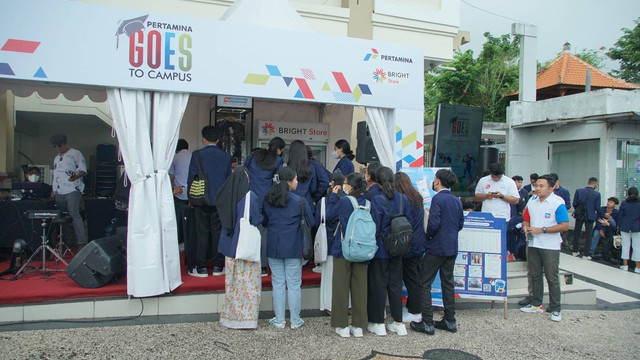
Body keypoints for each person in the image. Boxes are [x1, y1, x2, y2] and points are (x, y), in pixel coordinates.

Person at [410, 169, 464, 335]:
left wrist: (429, 237)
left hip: (436, 247)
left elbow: (433, 223)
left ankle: (427, 322)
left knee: (424, 282)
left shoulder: (437, 199)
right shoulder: (456, 200)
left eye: (434, 179)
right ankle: (450, 320)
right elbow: (460, 223)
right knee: (448, 282)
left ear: (438, 181)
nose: (433, 182)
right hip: (451, 246)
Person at [262, 167, 315, 330]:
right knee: (293, 283)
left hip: (274, 246)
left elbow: (265, 221)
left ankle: (279, 319)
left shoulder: (268, 199)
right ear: (288, 182)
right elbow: (311, 222)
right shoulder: (300, 201)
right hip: (293, 246)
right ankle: (295, 320)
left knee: (277, 283)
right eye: (295, 179)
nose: (297, 181)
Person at [217, 167, 264, 329]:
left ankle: (230, 317)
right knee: (248, 285)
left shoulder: (226, 196)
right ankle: (246, 319)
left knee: (232, 284)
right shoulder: (250, 197)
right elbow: (256, 218)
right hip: (244, 246)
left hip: (229, 245)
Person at [325, 172, 369, 338]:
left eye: (345, 183)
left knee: (341, 287)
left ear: (349, 186)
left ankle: (342, 325)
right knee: (360, 287)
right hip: (363, 249)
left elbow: (329, 216)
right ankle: (358, 326)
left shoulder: (344, 201)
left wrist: (334, 197)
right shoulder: (368, 202)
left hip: (343, 248)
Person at [520, 174, 569, 322]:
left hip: (550, 245)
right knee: (534, 275)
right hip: (533, 243)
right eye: (536, 186)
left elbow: (564, 225)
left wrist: (542, 230)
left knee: (552, 277)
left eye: (542, 186)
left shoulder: (557, 202)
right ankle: (536, 303)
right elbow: (526, 218)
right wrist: (526, 227)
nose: (537, 189)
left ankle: (555, 308)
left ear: (551, 187)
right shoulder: (532, 200)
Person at [368, 167, 411, 336]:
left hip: (381, 247)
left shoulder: (377, 200)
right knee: (395, 285)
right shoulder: (403, 199)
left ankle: (378, 323)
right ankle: (398, 323)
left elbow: (375, 226)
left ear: (377, 182)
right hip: (399, 247)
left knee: (378, 284)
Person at [187, 126, 231, 278]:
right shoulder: (226, 157)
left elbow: (191, 177)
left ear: (203, 139)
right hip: (219, 201)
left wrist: (190, 198)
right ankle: (218, 266)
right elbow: (228, 181)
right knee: (218, 233)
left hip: (201, 199)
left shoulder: (197, 155)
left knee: (201, 233)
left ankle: (201, 268)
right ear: (218, 139)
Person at [244, 137, 285, 276]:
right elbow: (279, 182)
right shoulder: (278, 161)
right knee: (265, 234)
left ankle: (248, 261)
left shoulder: (254, 156)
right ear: (279, 149)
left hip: (251, 198)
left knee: (249, 230)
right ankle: (263, 266)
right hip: (268, 200)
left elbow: (245, 174)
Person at [394, 171, 425, 323]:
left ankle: (415, 311)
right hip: (419, 242)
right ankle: (414, 308)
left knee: (412, 279)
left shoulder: (404, 200)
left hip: (409, 243)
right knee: (414, 277)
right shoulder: (417, 197)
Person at [50, 133, 87, 249]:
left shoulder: (75, 154)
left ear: (65, 143)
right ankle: (68, 241)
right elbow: (55, 175)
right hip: (59, 191)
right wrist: (53, 189)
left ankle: (81, 242)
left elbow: (83, 170)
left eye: (59, 146)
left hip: (72, 189)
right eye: (55, 146)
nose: (57, 148)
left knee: (74, 214)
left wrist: (76, 176)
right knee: (62, 216)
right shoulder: (56, 158)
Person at [316, 170, 346, 315]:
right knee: (345, 276)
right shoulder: (349, 199)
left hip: (329, 242)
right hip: (345, 243)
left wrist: (333, 197)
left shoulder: (325, 200)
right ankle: (348, 305)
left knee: (328, 276)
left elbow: (325, 217)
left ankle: (329, 305)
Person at [571, 177, 601, 258]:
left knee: (577, 232)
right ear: (595, 184)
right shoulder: (597, 194)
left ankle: (575, 250)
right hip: (590, 215)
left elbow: (574, 203)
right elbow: (597, 207)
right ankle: (586, 254)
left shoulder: (578, 191)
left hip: (579, 214)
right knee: (589, 235)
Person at [169, 139, 191, 245]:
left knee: (177, 219)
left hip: (178, 193)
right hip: (192, 194)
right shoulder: (193, 156)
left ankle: (177, 242)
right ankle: (189, 242)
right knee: (190, 220)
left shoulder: (174, 157)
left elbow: (171, 176)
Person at [287, 140, 317, 207]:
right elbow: (313, 188)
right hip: (306, 203)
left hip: (289, 204)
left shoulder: (284, 167)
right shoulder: (311, 168)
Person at [618, 187, 640, 272]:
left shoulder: (624, 203)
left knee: (625, 246)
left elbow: (620, 216)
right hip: (636, 227)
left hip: (625, 227)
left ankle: (625, 265)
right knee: (637, 247)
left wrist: (619, 225)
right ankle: (637, 267)